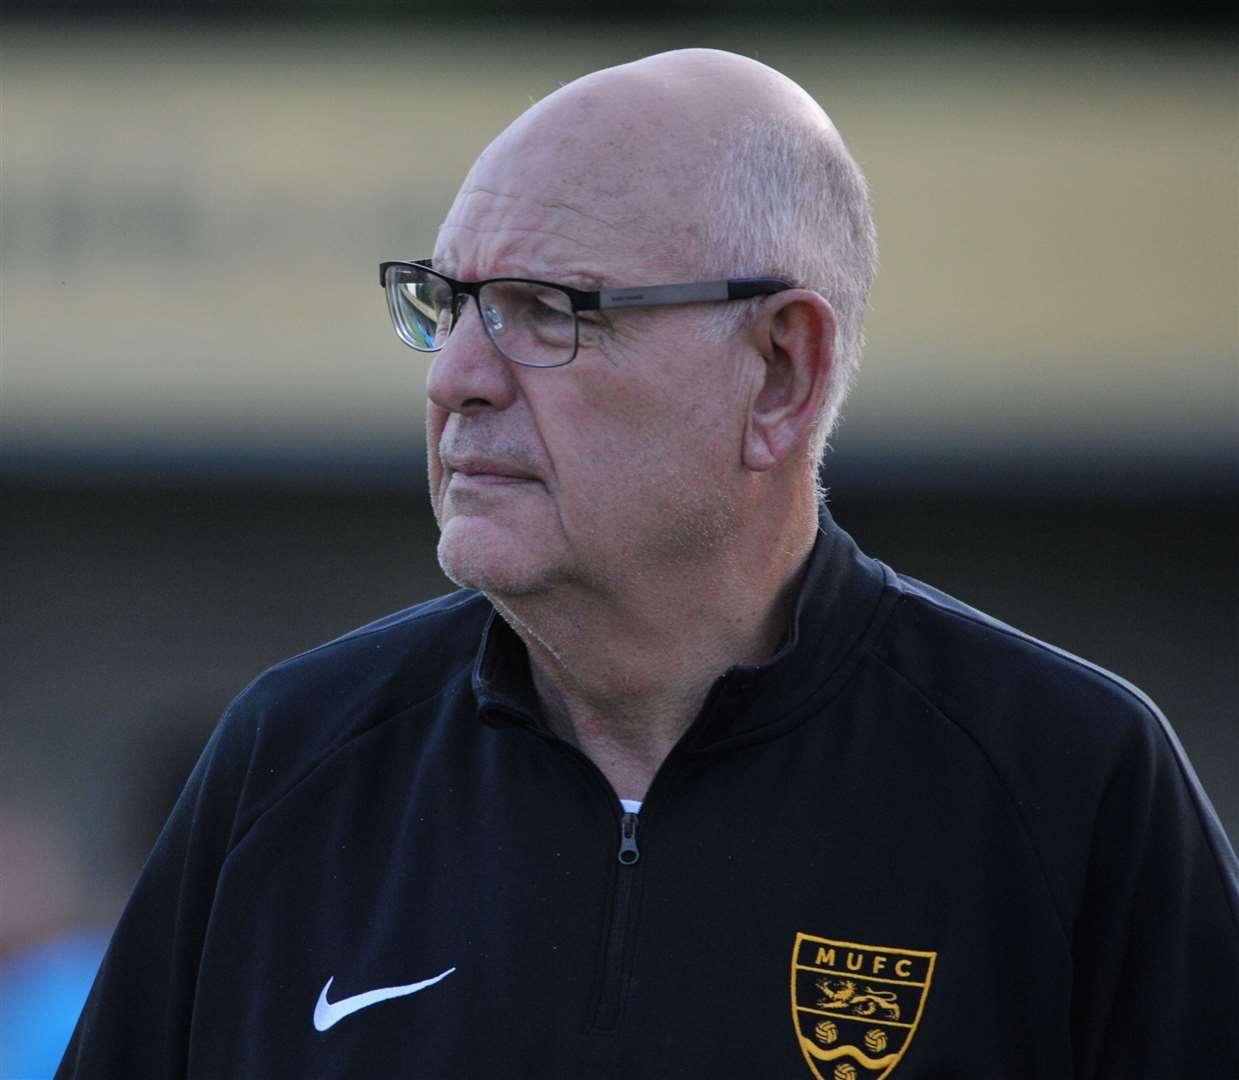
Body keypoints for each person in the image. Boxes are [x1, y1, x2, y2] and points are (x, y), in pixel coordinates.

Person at [58, 49, 1238, 1079]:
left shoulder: (1069, 788)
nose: (453, 378)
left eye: (543, 309)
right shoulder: (291, 763)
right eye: (447, 303)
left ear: (780, 371)